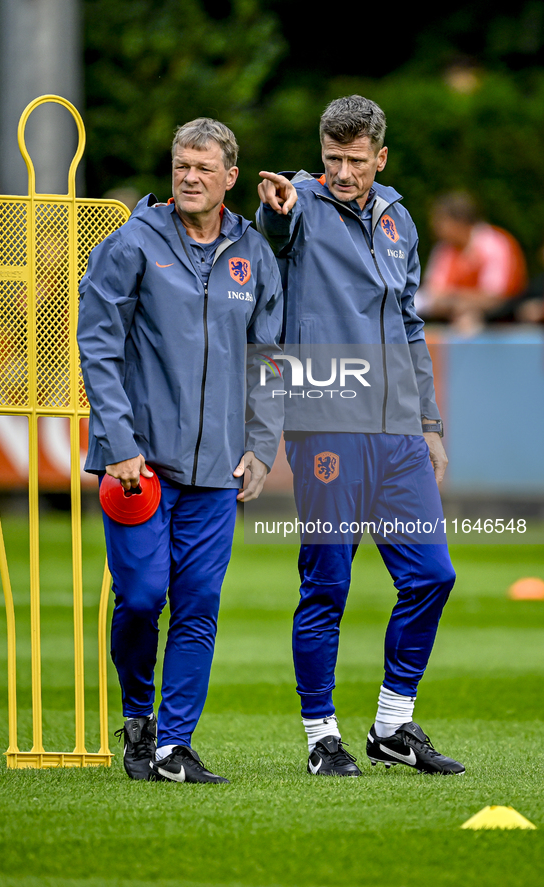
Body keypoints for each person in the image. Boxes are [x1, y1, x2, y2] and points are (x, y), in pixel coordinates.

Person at [256, 95, 464, 777]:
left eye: (353, 160)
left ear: (380, 156)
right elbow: (275, 228)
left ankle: (391, 726)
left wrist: (428, 422)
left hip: (397, 428)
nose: (340, 172)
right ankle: (321, 736)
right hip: (325, 423)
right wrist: (276, 208)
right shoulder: (298, 205)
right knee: (328, 584)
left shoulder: (397, 218)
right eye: (330, 158)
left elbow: (408, 325)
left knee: (432, 574)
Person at [78, 118, 283, 784]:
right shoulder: (129, 244)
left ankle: (172, 745)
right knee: (140, 597)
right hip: (137, 466)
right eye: (180, 165)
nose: (189, 177)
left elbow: (270, 358)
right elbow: (99, 347)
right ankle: (137, 713)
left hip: (218, 469)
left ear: (229, 177)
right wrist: (117, 442)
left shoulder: (253, 253)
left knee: (197, 602)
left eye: (203, 167)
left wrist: (260, 444)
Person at [417, 191, 527, 334]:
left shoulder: (495, 244)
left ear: (460, 222)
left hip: (502, 328)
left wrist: (453, 299)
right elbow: (432, 295)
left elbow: (495, 298)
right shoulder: (444, 249)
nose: (434, 227)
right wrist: (460, 302)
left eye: (440, 221)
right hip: (454, 324)